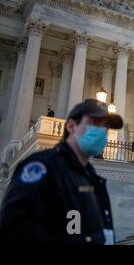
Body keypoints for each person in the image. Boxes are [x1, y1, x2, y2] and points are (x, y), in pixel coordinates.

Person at [0, 98, 124, 245]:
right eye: (95, 123)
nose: (103, 131)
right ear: (71, 126)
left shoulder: (92, 178)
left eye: (106, 126)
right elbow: (15, 230)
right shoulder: (42, 167)